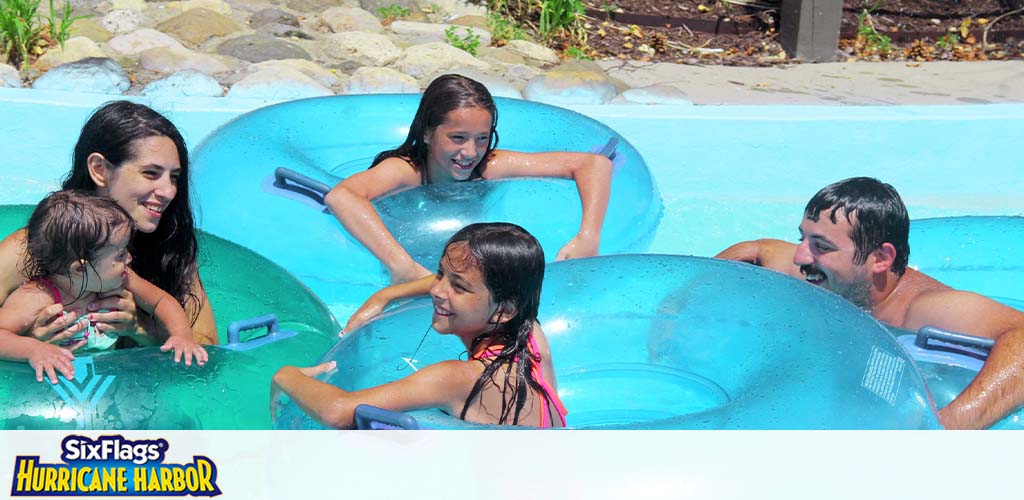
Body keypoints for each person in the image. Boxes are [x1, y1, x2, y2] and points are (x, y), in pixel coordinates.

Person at [715, 177, 1024, 429]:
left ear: (880, 258)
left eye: (821, 246)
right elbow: (758, 249)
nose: (800, 256)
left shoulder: (923, 309)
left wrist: (948, 427)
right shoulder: (820, 273)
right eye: (803, 239)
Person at [324, 73, 612, 284]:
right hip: (409, 263)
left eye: (482, 138)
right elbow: (341, 196)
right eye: (457, 138)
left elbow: (594, 164)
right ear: (427, 133)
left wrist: (588, 237)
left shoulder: (488, 167)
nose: (470, 152)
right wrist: (402, 266)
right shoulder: (408, 171)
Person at [272, 223, 567, 428]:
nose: (438, 291)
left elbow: (337, 412)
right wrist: (386, 294)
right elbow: (470, 278)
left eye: (459, 288)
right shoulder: (532, 338)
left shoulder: (458, 379)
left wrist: (285, 375)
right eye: (440, 275)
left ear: (503, 310)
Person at [0, 101, 217, 346]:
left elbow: (207, 350)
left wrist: (140, 329)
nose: (169, 191)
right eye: (150, 173)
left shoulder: (169, 247)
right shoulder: (30, 249)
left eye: (174, 177)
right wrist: (27, 343)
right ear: (99, 169)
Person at [0, 191, 208, 383]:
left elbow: (162, 301)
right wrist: (33, 349)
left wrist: (181, 334)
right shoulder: (37, 296)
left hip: (106, 383)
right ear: (81, 269)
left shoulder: (122, 278)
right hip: (48, 388)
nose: (129, 257)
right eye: (119, 255)